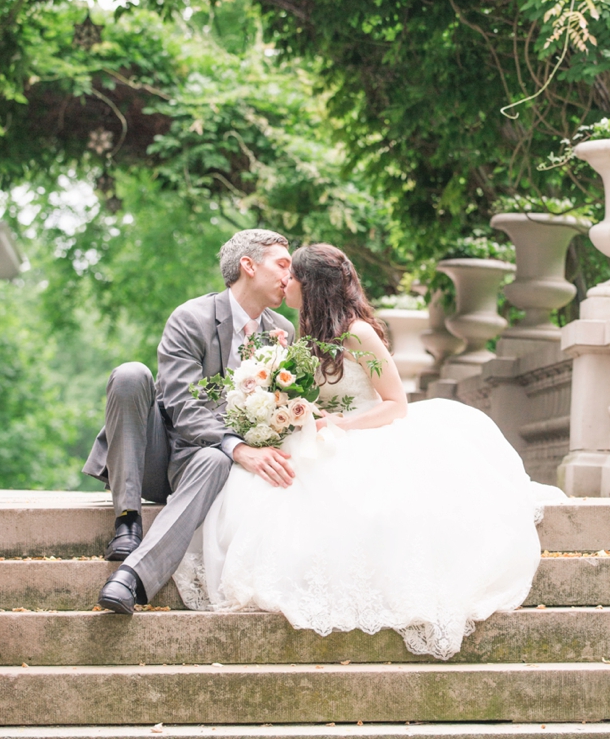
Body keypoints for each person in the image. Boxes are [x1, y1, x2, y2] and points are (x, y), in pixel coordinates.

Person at [174, 243, 565, 660]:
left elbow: (396, 404)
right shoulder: (306, 334)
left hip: (368, 431)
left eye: (294, 276)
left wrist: (340, 424)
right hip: (325, 432)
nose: (286, 282)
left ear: (312, 285)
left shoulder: (357, 333)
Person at [84, 228, 295, 614]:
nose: (289, 276)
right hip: (158, 453)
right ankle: (127, 522)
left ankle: (130, 579)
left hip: (207, 467)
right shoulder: (191, 317)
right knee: (132, 374)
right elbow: (181, 404)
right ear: (248, 265)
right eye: (282, 264)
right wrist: (238, 447)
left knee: (217, 458)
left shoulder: (282, 332)